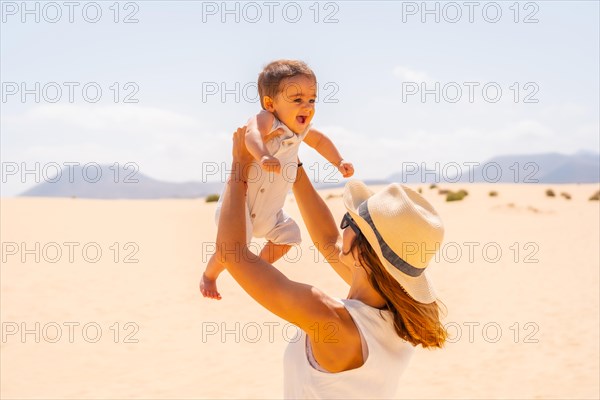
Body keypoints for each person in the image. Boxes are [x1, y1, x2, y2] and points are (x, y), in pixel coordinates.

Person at [213, 126, 448, 399]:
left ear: (362, 254)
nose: (342, 225)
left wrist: (240, 164)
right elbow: (327, 240)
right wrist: (293, 159)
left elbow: (232, 253)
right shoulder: (395, 311)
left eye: (349, 222)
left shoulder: (329, 320)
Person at [201, 60, 354, 300]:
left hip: (270, 213)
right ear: (270, 104)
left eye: (312, 99)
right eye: (297, 99)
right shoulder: (266, 120)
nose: (307, 106)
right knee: (229, 249)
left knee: (290, 235)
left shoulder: (300, 132)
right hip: (241, 206)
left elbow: (320, 141)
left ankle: (259, 267)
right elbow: (250, 135)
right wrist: (262, 154)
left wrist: (338, 161)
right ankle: (209, 276)